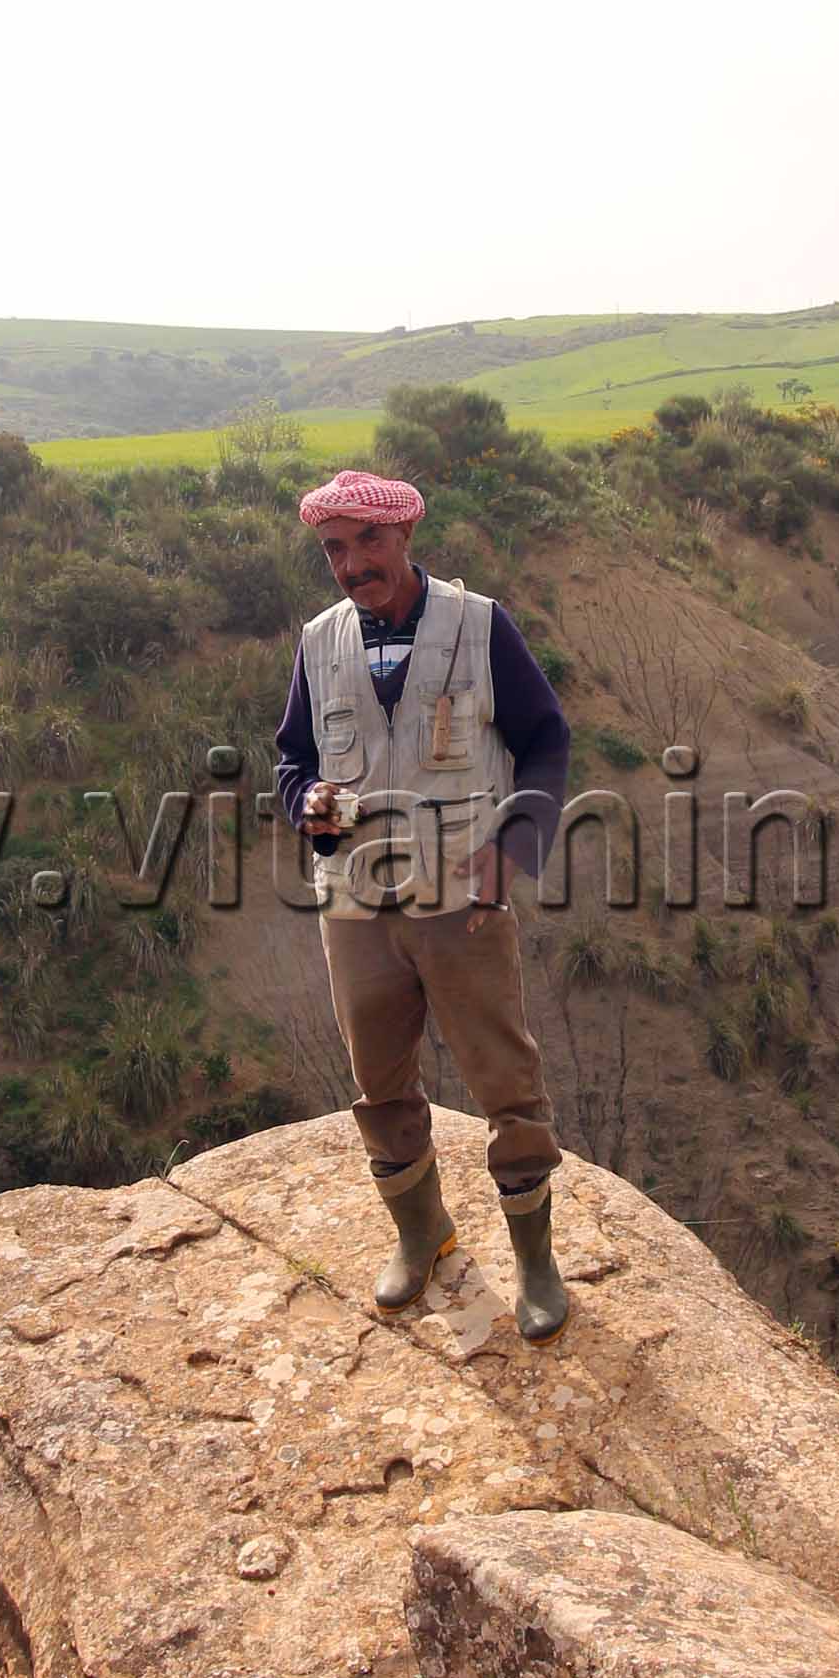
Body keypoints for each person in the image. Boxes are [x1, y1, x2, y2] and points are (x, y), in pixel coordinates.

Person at [273, 466, 573, 1338]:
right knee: (380, 1081)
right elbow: (291, 758)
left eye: (369, 540)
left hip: (462, 901)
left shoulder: (479, 627)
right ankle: (423, 1236)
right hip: (356, 904)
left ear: (404, 537)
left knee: (505, 1083)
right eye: (336, 548)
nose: (353, 562)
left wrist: (513, 849)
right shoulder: (320, 642)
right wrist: (307, 806)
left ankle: (535, 1261)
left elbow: (545, 739)